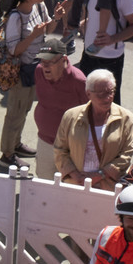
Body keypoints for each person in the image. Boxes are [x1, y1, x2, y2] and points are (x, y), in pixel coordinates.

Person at [0, 0, 53, 168]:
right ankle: (7, 154)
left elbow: (48, 29)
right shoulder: (15, 17)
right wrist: (33, 36)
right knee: (15, 112)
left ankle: (16, 144)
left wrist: (59, 17)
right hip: (20, 72)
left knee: (24, 110)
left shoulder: (40, 7)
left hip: (34, 69)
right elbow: (14, 50)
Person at [52, 70, 133, 188]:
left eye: (110, 92)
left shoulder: (126, 118)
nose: (108, 98)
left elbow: (126, 154)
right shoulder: (70, 116)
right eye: (101, 94)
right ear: (88, 94)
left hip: (107, 186)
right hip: (75, 184)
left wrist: (99, 175)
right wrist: (75, 175)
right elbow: (60, 150)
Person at [32, 43, 89, 178]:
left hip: (69, 146)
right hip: (45, 140)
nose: (44, 66)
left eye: (50, 62)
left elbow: (90, 114)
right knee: (44, 179)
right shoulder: (39, 71)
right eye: (42, 60)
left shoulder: (79, 81)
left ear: (63, 60)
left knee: (67, 183)